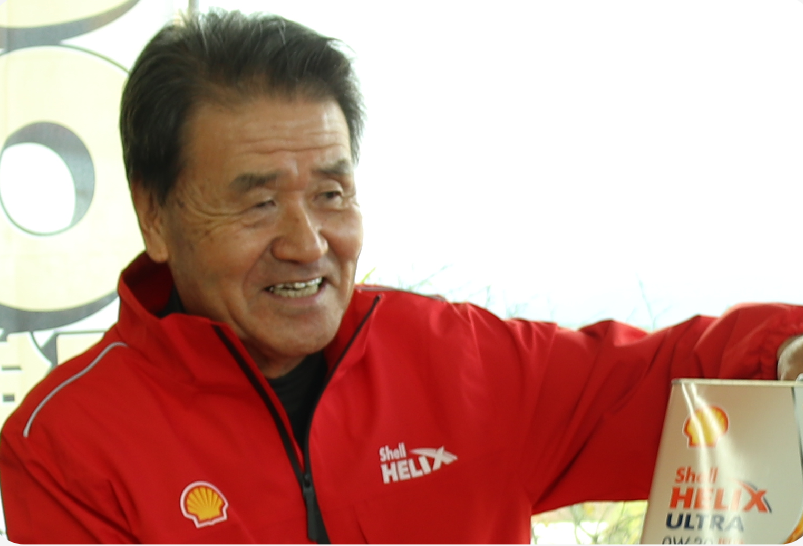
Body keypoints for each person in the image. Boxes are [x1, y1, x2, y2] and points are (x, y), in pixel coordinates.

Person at [2, 9, 803, 543]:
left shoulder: (462, 361)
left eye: (331, 194)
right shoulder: (66, 446)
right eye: (258, 203)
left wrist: (787, 353)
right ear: (154, 215)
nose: (306, 243)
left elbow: (668, 382)